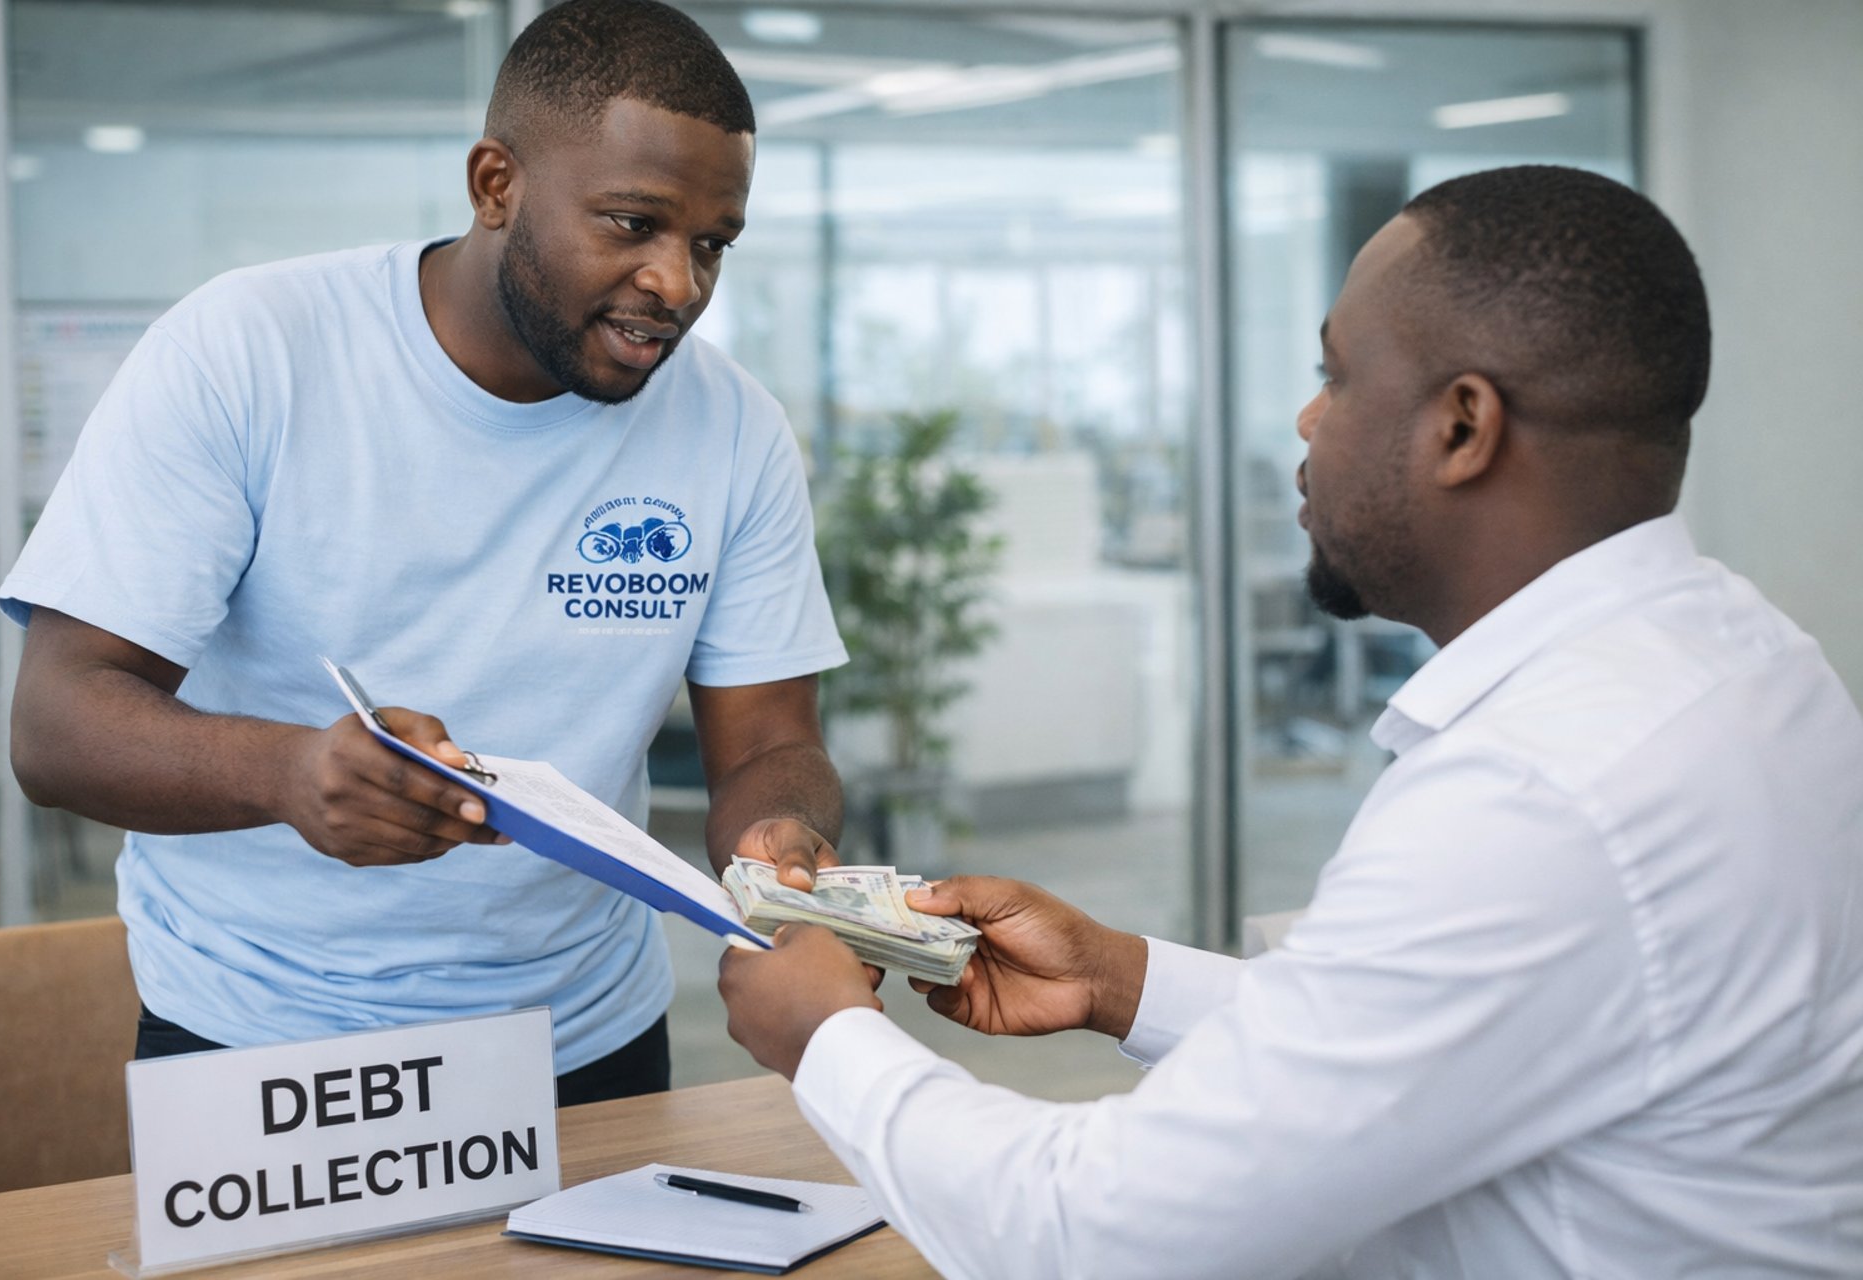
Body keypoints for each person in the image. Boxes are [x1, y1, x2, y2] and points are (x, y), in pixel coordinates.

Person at [719, 166, 1863, 1278]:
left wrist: (827, 1038)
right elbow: (1438, 1021)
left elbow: (1101, 1235)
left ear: (1463, 426)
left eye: (1338, 376)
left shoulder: (1535, 792)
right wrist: (1121, 978)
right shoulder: (1749, 662)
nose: (1308, 421)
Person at [0, 0, 848, 1106]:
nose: (677, 284)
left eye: (710, 244)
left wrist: (780, 838)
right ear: (496, 184)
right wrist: (291, 772)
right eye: (633, 224)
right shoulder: (250, 350)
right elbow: (57, 725)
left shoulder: (731, 425)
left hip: (586, 1036)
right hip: (260, 1031)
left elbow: (769, 742)